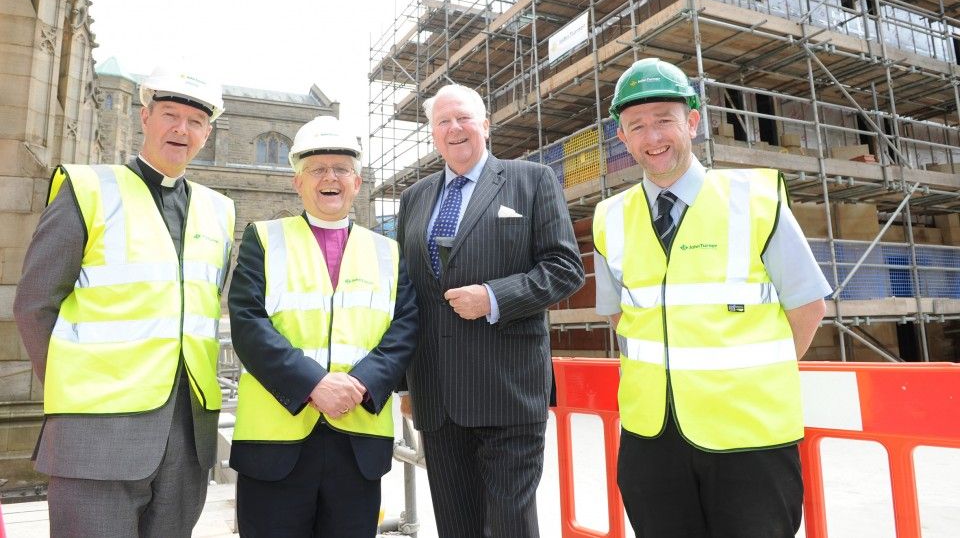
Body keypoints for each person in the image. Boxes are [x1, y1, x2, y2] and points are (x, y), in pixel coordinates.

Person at [593, 57, 831, 538]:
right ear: (622, 138)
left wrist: (749, 382)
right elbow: (622, 316)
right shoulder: (609, 217)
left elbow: (807, 307)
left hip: (749, 440)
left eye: (665, 119)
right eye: (637, 125)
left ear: (693, 123)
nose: (652, 136)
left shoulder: (756, 199)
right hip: (651, 440)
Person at [13, 66, 235, 536]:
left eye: (195, 121)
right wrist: (73, 389)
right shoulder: (87, 188)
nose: (182, 129)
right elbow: (35, 303)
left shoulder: (219, 210)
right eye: (170, 115)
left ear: (207, 134)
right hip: (94, 432)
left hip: (185, 433)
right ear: (145, 118)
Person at [396, 84, 584, 538]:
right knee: (456, 526)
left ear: (485, 124)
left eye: (463, 118)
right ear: (433, 134)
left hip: (508, 390)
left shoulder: (532, 180)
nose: (454, 128)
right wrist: (405, 383)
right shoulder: (415, 198)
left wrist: (494, 297)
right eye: (442, 122)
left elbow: (565, 269)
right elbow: (405, 292)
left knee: (509, 526)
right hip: (438, 395)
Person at [228, 115, 418, 537]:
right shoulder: (264, 237)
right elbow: (247, 322)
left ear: (357, 181)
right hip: (275, 443)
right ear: (298, 182)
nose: (329, 178)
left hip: (358, 442)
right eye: (317, 169)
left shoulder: (389, 251)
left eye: (341, 169)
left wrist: (362, 384)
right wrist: (314, 384)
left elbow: (404, 328)